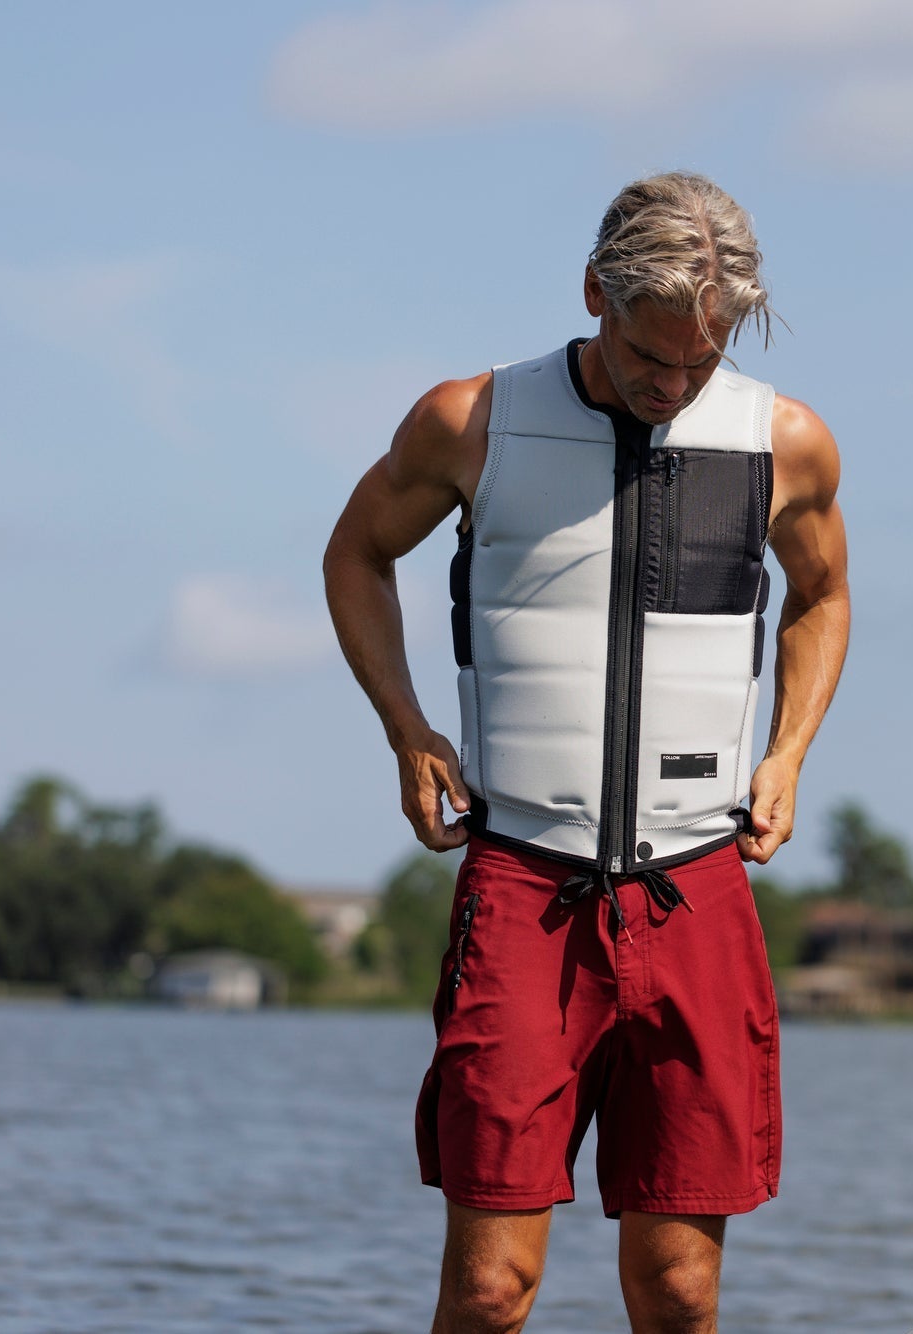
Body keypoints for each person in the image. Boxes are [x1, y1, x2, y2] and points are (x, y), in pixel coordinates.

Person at [323, 172, 850, 1334]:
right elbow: (355, 552)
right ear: (592, 296)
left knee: (676, 1289)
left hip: (696, 887)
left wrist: (789, 750)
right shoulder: (472, 420)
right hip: (524, 884)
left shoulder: (784, 440)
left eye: (698, 363)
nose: (671, 386)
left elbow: (821, 594)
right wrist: (407, 729)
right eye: (648, 359)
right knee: (489, 1288)